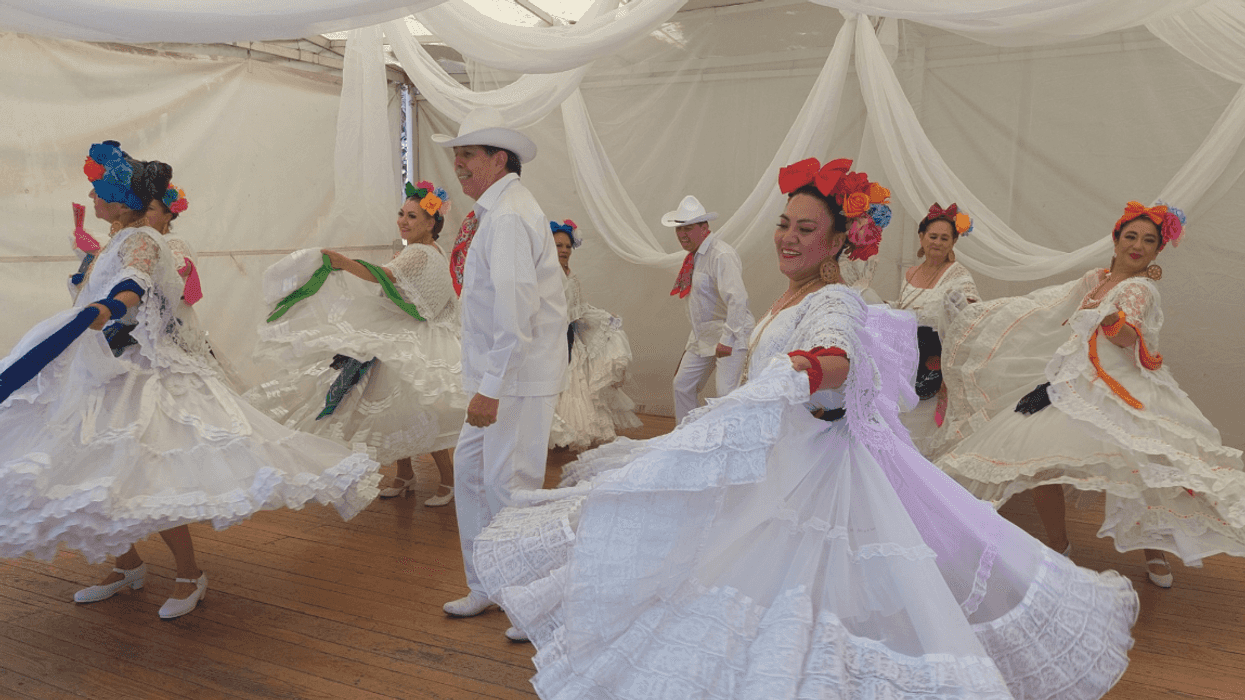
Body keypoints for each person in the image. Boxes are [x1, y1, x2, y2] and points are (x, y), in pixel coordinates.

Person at [469, 157, 1138, 699]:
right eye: (784, 223)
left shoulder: (834, 297)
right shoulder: (786, 295)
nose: (787, 236)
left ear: (839, 240)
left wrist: (801, 368)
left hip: (815, 469)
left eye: (804, 228)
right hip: (779, 462)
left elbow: (838, 356)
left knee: (809, 593)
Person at [0, 141, 380, 619]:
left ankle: (188, 573)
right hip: (106, 370)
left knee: (153, 478)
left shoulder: (144, 240)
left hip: (147, 373)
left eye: (96, 190)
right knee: (102, 477)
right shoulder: (118, 238)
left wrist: (110, 307)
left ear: (119, 199)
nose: (92, 198)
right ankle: (127, 566)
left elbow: (133, 285)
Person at [935, 201, 1245, 589]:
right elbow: (1043, 307)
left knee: (1144, 464)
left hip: (1120, 387)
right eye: (1130, 236)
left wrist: (1112, 320)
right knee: (1036, 460)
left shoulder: (1140, 288)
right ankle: (1059, 548)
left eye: (1149, 240)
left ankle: (1154, 550)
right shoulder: (1095, 279)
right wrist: (978, 312)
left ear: (1157, 251)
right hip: (1069, 380)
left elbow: (1128, 336)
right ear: (1115, 242)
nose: (1138, 245)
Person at [431, 108, 567, 640]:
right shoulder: (496, 211)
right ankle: (488, 583)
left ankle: (533, 598)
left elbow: (515, 312)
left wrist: (489, 390)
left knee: (511, 484)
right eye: (457, 154)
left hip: (514, 376)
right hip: (500, 374)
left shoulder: (508, 216)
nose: (459, 164)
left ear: (498, 159)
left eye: (468, 154)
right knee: (470, 473)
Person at [246, 180, 464, 507]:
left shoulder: (419, 252)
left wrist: (344, 262)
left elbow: (382, 276)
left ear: (431, 223)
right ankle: (405, 475)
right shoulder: (430, 250)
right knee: (395, 413)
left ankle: (446, 479)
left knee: (414, 410)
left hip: (409, 337)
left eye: (412, 217)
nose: (403, 221)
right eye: (402, 214)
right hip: (403, 333)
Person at [546, 219, 642, 451]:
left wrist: (606, 318)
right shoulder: (543, 275)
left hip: (569, 342)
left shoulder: (572, 276)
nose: (564, 250)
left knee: (572, 389)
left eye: (568, 246)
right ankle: (550, 437)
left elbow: (580, 310)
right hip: (547, 342)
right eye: (558, 245)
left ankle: (565, 438)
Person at [894, 203, 980, 455]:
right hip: (906, 360)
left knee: (926, 430)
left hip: (936, 365)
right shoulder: (910, 273)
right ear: (921, 237)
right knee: (902, 424)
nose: (938, 243)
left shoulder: (958, 274)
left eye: (945, 238)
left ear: (954, 242)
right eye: (933, 236)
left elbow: (972, 318)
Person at [665, 194, 754, 422]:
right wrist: (690, 346)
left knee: (726, 395)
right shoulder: (693, 258)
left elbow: (738, 299)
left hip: (730, 334)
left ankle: (728, 446)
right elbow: (699, 310)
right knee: (682, 385)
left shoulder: (720, 254)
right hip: (703, 337)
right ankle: (687, 439)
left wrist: (728, 338)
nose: (682, 234)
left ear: (704, 227)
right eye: (678, 229)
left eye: (688, 228)